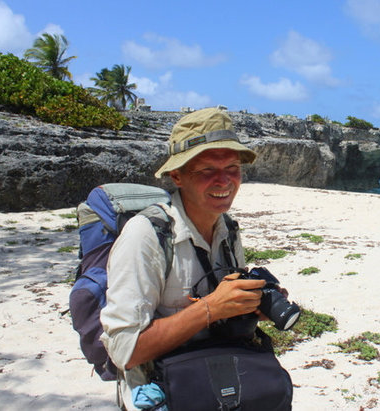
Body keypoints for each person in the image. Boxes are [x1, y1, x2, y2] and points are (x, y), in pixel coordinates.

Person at [100, 108, 268, 410]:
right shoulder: (146, 236)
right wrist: (209, 309)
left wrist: (251, 304)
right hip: (165, 391)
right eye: (207, 171)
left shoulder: (226, 228)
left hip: (218, 377)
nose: (224, 181)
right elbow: (124, 351)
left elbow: (225, 311)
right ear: (177, 176)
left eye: (232, 168)